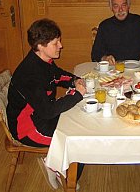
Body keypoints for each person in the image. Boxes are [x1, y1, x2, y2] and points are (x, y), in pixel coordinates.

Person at [7, 18, 86, 190]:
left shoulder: (42, 60)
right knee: (78, 141)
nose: (61, 45)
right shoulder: (31, 75)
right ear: (41, 46)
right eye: (56, 42)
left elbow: (56, 75)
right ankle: (59, 170)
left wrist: (75, 80)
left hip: (40, 115)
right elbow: (48, 111)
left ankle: (54, 161)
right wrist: (77, 94)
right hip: (28, 128)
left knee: (81, 120)